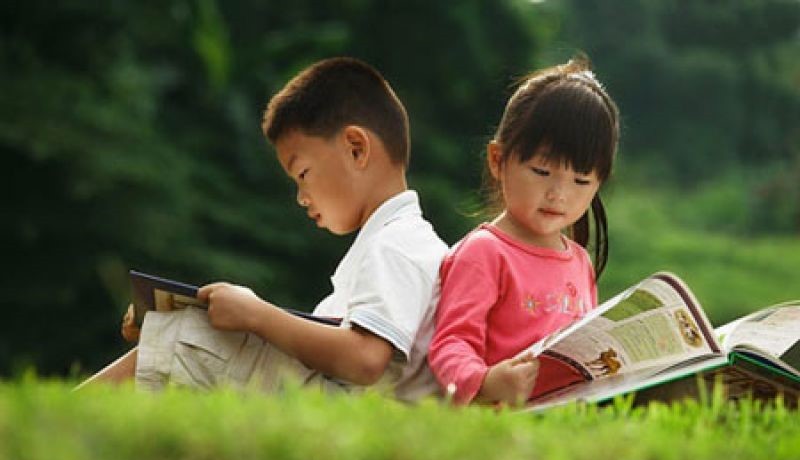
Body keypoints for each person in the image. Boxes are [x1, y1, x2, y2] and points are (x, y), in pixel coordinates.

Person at [80, 57, 448, 402]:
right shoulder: (391, 241)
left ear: (355, 148)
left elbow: (365, 359)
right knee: (188, 332)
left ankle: (51, 424)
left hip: (353, 411)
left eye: (303, 174)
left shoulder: (398, 243)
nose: (301, 198)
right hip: (339, 400)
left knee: (183, 339)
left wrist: (257, 314)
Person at [428, 55, 620, 406]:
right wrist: (485, 381)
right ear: (498, 160)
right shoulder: (485, 251)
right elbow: (451, 344)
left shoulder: (579, 261)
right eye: (542, 171)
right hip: (503, 421)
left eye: (581, 180)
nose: (558, 194)